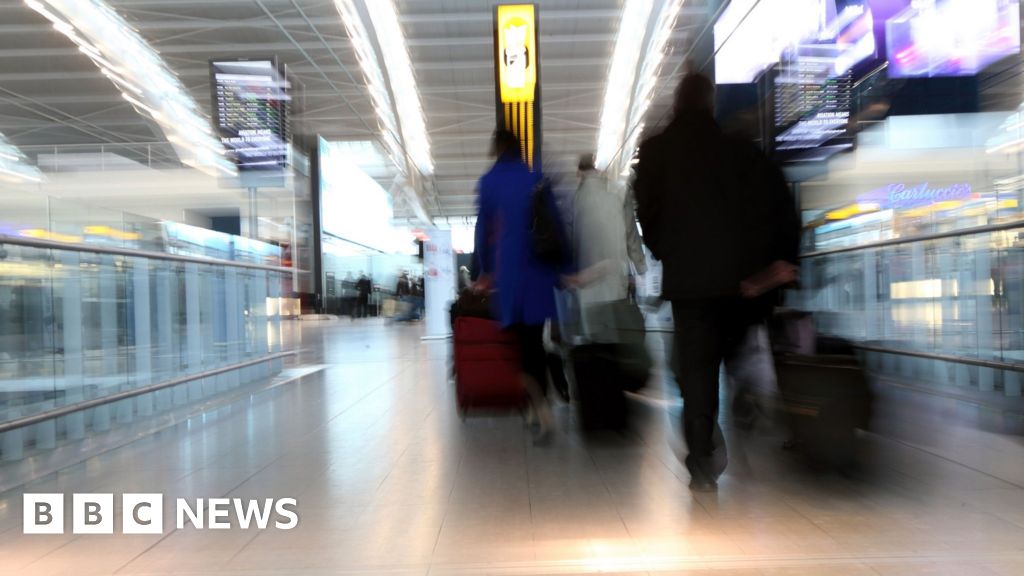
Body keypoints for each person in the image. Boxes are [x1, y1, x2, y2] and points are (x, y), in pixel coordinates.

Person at [634, 73, 800, 490]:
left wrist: (666, 251)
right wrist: (769, 263)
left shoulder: (655, 152)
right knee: (735, 355)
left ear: (676, 102)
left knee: (697, 371)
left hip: (688, 282)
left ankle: (701, 463)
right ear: (710, 104)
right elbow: (769, 204)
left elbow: (647, 215)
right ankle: (745, 409)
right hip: (736, 281)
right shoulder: (737, 151)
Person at [474, 129, 566, 443]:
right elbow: (556, 225)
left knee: (520, 347)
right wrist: (565, 269)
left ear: (496, 149)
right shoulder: (536, 179)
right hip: (539, 275)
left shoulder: (488, 183)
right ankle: (537, 404)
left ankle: (540, 410)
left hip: (511, 276)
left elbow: (483, 231)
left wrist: (485, 272)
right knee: (533, 342)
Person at [570, 153, 648, 339]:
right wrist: (640, 265)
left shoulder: (575, 200)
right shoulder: (618, 193)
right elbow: (631, 235)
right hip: (616, 283)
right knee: (617, 340)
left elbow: (572, 241)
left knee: (595, 342)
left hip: (588, 289)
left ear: (579, 172)